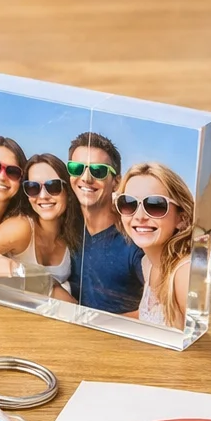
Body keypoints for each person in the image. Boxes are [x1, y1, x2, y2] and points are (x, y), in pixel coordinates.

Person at [0, 153, 82, 298]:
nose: (43, 196)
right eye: (32, 187)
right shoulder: (19, 228)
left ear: (68, 192)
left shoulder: (72, 233)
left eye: (53, 186)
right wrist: (41, 282)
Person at [66, 132, 144, 313]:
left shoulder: (134, 240)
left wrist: (97, 323)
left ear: (116, 182)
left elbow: (159, 310)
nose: (86, 178)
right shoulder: (67, 226)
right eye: (77, 168)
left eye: (98, 171)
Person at [116, 163, 194, 329]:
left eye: (155, 205)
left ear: (182, 218)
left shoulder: (185, 274)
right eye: (128, 203)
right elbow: (146, 317)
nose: (139, 216)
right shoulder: (147, 264)